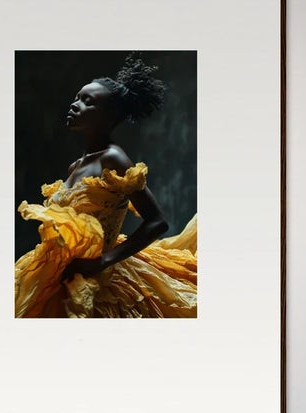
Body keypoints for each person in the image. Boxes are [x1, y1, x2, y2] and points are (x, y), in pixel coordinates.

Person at [14, 54, 197, 318]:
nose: (75, 104)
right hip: (58, 273)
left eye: (88, 102)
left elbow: (157, 221)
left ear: (108, 117)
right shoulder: (75, 165)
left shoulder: (113, 157)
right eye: (77, 97)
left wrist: (103, 261)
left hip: (99, 281)